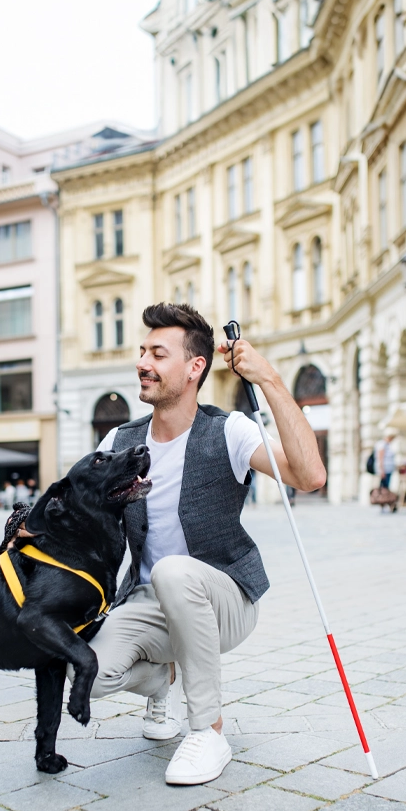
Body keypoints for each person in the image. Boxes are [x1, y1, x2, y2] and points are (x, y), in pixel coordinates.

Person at [87, 302, 325, 786]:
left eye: (157, 353)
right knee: (83, 673)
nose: (142, 363)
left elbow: (310, 476)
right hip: (148, 599)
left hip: (225, 599)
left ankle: (208, 730)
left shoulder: (229, 430)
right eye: (142, 350)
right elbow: (76, 506)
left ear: (195, 367)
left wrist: (270, 381)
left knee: (175, 570)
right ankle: (162, 678)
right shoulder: (119, 440)